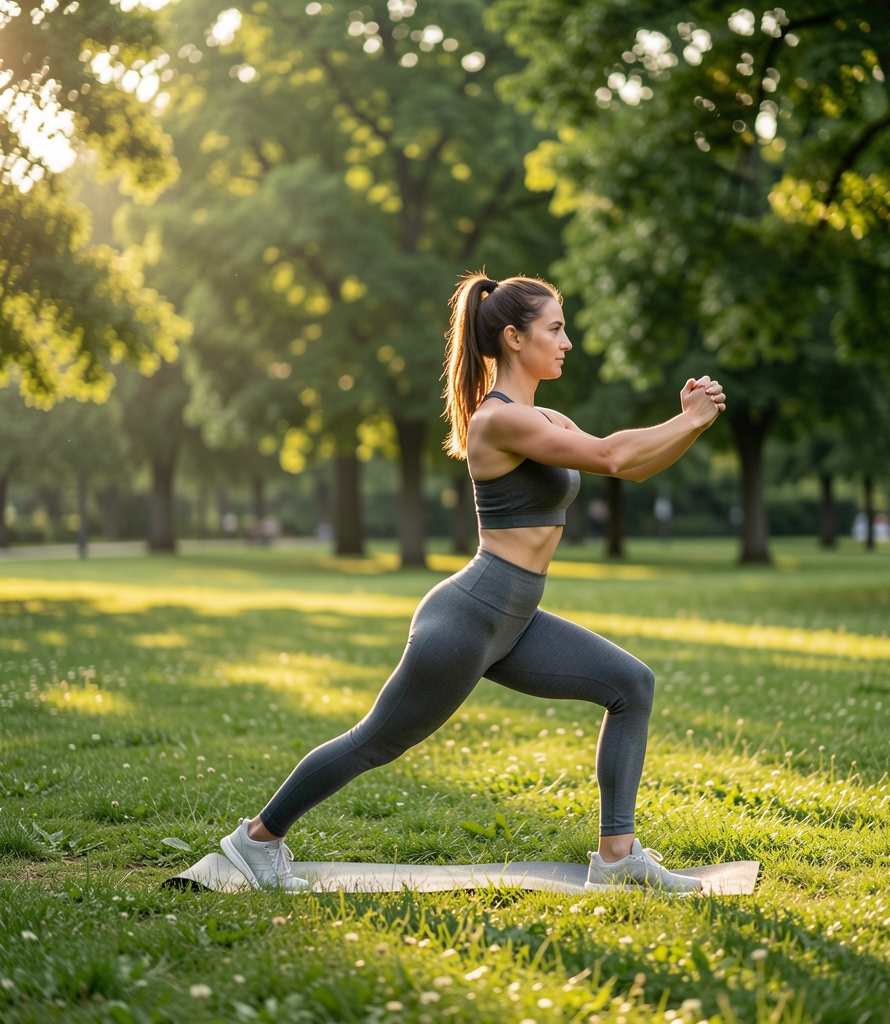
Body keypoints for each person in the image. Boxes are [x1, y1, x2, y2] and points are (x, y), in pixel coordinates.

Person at [220, 274, 726, 892]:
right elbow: (614, 457)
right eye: (556, 329)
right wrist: (690, 418)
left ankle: (618, 859)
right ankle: (254, 841)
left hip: (514, 620)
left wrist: (690, 424)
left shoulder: (547, 416)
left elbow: (632, 467)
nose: (567, 342)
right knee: (376, 742)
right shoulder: (497, 421)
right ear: (514, 338)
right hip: (469, 618)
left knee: (630, 685)